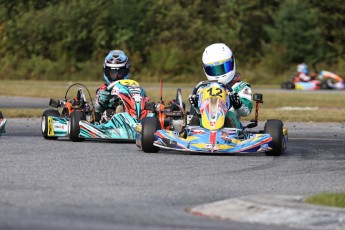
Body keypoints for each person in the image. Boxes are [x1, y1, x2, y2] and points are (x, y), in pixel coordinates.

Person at [188, 43, 253, 129]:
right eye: (213, 70)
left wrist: (238, 104)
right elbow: (200, 112)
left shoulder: (240, 87)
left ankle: (228, 134)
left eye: (224, 67)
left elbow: (246, 112)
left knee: (229, 116)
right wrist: (196, 106)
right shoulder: (203, 88)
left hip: (232, 128)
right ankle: (192, 133)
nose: (219, 74)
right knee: (196, 118)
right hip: (206, 128)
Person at [94, 50, 131, 122]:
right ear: (107, 72)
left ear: (126, 71)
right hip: (109, 120)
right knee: (108, 112)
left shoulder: (131, 87)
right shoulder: (103, 89)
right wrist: (104, 97)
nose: (116, 76)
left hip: (129, 116)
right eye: (113, 73)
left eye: (120, 72)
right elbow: (97, 109)